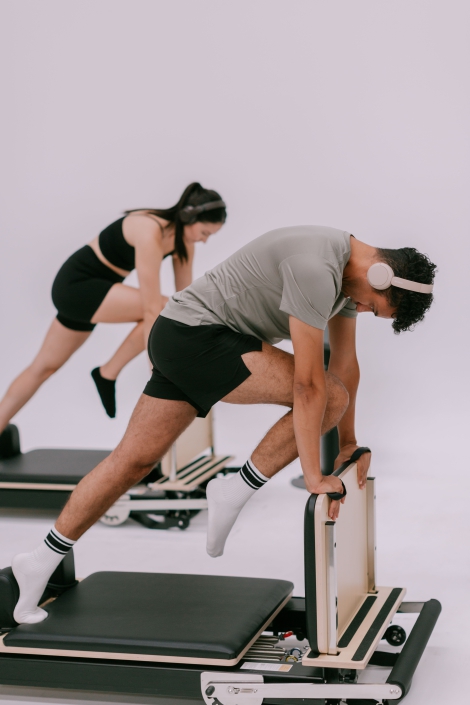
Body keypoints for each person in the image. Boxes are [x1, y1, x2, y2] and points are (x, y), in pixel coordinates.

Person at [11, 224, 436, 624]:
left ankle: (38, 561)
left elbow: (345, 364)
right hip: (198, 337)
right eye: (372, 305)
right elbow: (309, 385)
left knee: (132, 462)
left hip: (181, 335)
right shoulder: (316, 268)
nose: (362, 309)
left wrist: (348, 443)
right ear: (379, 274)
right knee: (330, 396)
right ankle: (234, 488)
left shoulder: (345, 281)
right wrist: (313, 476)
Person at [0, 183, 226, 427]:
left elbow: (183, 304)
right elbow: (152, 309)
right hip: (77, 286)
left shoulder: (185, 245)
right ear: (188, 216)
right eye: (204, 232)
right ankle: (108, 373)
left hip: (98, 294)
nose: (204, 240)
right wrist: (157, 374)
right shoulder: (150, 230)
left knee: (42, 368)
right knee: (162, 308)